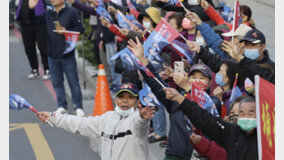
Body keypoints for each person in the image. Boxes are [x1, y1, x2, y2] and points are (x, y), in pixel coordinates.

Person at [37, 83, 156, 160]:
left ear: (137, 102)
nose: (125, 101)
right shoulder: (107, 118)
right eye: (121, 97)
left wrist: (143, 118)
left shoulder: (137, 118)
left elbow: (140, 125)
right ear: (115, 100)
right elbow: (80, 123)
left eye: (130, 98)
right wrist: (52, 117)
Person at [164, 87, 258, 159]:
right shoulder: (231, 132)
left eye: (250, 113)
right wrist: (179, 98)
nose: (246, 118)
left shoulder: (265, 139)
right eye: (241, 113)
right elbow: (206, 119)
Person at [29, 0, 85, 116]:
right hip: (52, 55)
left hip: (67, 54)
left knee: (73, 82)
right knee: (57, 82)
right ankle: (62, 106)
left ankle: (78, 106)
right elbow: (35, 21)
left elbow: (81, 29)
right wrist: (31, 9)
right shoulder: (48, 13)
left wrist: (67, 32)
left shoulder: (72, 12)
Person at [16, 0, 50, 80]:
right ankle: (34, 69)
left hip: (40, 24)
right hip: (25, 24)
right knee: (29, 47)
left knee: (43, 47)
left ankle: (47, 69)